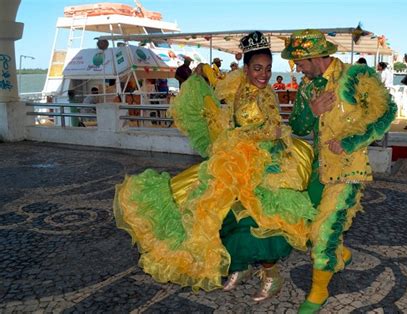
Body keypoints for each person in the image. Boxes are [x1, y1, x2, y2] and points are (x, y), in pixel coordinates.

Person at [114, 31, 316, 301]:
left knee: (261, 218)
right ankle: (240, 267)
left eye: (267, 69)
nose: (264, 74)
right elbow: (235, 122)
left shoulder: (265, 91)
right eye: (257, 68)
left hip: (267, 162)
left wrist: (276, 133)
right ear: (246, 68)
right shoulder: (238, 89)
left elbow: (266, 123)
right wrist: (271, 132)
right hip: (238, 160)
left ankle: (271, 274)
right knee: (223, 213)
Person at [281, 29, 396, 313]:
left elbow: (387, 112)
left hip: (348, 171)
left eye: (299, 61)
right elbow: (298, 127)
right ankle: (340, 252)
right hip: (319, 171)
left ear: (314, 56)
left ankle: (318, 291)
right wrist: (312, 110)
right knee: (308, 224)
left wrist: (351, 141)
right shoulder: (308, 87)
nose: (297, 67)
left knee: (324, 230)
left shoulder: (355, 76)